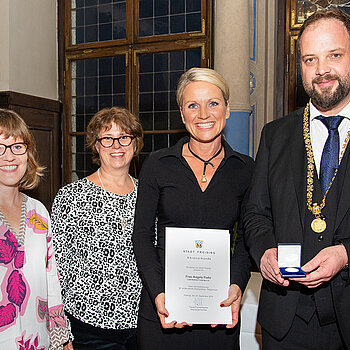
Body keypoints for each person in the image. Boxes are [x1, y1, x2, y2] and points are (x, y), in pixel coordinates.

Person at [244, 9, 350, 349]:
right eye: (309, 59)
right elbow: (255, 214)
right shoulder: (275, 135)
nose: (321, 70)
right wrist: (263, 252)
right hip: (284, 323)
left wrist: (346, 254)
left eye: (334, 55)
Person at [132, 67, 254, 349]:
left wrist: (236, 284)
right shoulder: (157, 164)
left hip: (219, 314)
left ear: (227, 109)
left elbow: (247, 240)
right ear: (182, 114)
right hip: (163, 311)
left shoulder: (246, 169)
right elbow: (141, 237)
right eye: (192, 105)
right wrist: (159, 293)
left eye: (213, 103)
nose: (203, 114)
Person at [51, 107, 143, 350]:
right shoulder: (71, 197)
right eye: (107, 138)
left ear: (134, 144)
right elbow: (58, 267)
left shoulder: (149, 194)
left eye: (124, 137)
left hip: (143, 325)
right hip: (89, 328)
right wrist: (63, 332)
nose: (117, 145)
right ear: (96, 145)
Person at [0, 109, 69, 349]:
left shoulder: (38, 211)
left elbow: (51, 278)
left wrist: (61, 337)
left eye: (17, 147)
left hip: (39, 339)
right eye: (0, 147)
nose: (9, 156)